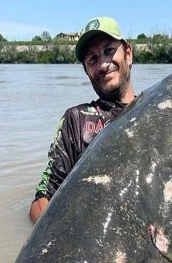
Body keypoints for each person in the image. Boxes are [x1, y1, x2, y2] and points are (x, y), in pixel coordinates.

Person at [30, 17, 137, 224]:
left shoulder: (154, 110)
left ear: (128, 54)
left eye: (108, 51)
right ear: (87, 71)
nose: (103, 64)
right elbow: (42, 199)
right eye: (92, 59)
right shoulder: (76, 120)